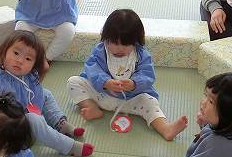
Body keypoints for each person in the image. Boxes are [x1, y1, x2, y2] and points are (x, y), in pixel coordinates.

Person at [66, 9, 189, 142]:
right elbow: (92, 68)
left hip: (130, 100)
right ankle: (91, 107)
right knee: (73, 82)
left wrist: (134, 84)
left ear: (136, 41)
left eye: (126, 44)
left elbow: (147, 75)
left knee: (150, 102)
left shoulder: (141, 55)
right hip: (102, 95)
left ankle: (165, 128)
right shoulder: (100, 51)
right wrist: (105, 82)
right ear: (106, 38)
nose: (120, 48)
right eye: (115, 43)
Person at [0, 30, 93, 157]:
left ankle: (60, 123)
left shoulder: (28, 77)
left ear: (34, 64)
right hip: (7, 132)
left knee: (46, 94)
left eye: (28, 59)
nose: (20, 60)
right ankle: (68, 146)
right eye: (16, 53)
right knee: (34, 120)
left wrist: (35, 111)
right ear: (4, 52)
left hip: (24, 118)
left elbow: (36, 98)